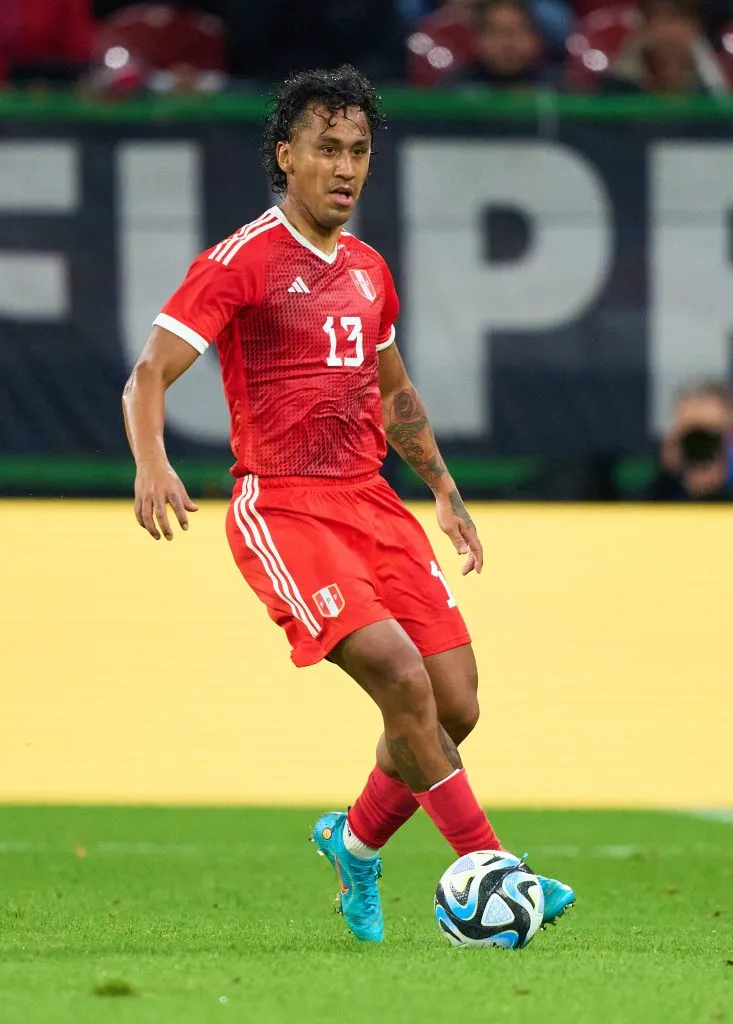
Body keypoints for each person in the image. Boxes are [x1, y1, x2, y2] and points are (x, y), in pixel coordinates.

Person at [121, 64, 574, 943]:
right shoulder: (240, 260)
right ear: (285, 157)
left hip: (371, 502)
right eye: (327, 149)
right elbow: (148, 374)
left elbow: (391, 389)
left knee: (455, 708)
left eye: (359, 151)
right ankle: (491, 867)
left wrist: (443, 490)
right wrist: (152, 461)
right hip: (284, 509)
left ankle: (356, 845)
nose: (345, 167)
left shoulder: (367, 270)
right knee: (402, 680)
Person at [601, 0, 729, 95]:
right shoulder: (619, 85)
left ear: (696, 27)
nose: (667, 32)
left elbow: (724, 118)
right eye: (657, 19)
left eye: (677, 19)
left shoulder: (711, 82)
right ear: (642, 28)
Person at [446, 0, 564, 90]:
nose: (507, 44)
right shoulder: (456, 91)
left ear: (534, 39)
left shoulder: (556, 90)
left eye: (516, 32)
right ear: (478, 39)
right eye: (497, 32)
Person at [647, 380, 733, 501]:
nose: (700, 445)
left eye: (708, 435)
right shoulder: (654, 481)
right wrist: (666, 473)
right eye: (692, 435)